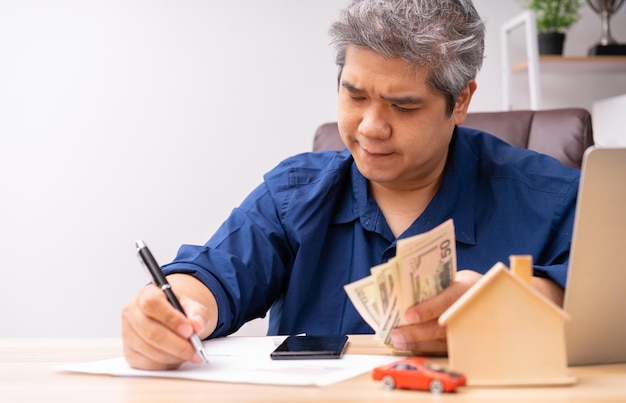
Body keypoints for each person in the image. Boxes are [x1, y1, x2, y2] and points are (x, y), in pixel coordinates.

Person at [122, 0, 579, 370]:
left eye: (403, 106)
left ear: (460, 101)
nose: (370, 127)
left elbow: (602, 299)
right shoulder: (293, 194)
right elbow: (217, 273)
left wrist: (521, 306)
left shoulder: (552, 197)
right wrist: (175, 310)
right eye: (355, 95)